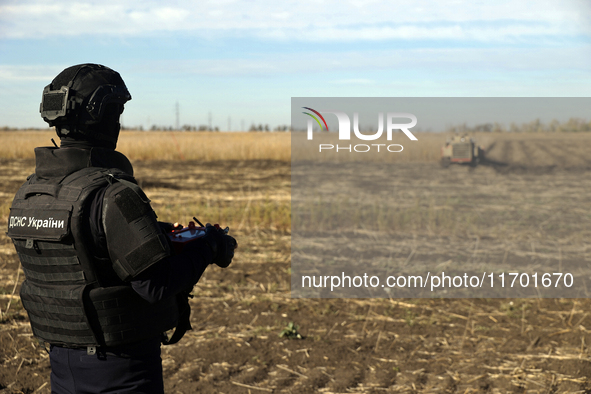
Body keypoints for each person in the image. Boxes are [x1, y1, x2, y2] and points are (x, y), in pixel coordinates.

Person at [6, 63, 237, 394]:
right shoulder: (114, 193)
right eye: (117, 112)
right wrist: (208, 246)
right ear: (105, 116)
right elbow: (155, 285)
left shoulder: (30, 194)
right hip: (120, 370)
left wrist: (159, 236)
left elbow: (86, 249)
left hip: (61, 366)